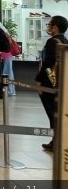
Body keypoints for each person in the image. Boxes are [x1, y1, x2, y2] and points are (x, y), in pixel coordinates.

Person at [35, 15, 68, 152]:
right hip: (61, 83)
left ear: (55, 27)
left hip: (49, 84)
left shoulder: (51, 41)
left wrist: (38, 80)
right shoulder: (64, 40)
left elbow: (47, 64)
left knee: (52, 113)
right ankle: (58, 140)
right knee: (58, 112)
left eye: (50, 25)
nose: (48, 27)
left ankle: (56, 141)